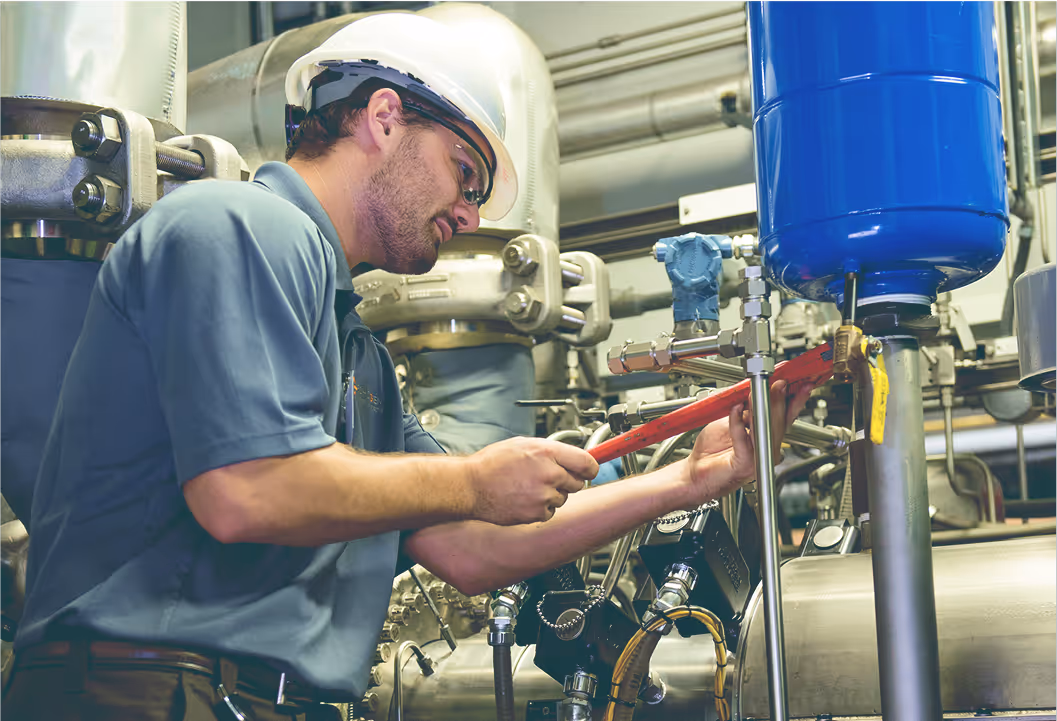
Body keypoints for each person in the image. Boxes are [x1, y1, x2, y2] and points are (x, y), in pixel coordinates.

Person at [0, 13, 813, 721]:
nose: (468, 215)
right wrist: (472, 479)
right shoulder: (238, 224)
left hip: (235, 696)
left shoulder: (357, 353)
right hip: (146, 693)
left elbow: (469, 547)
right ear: (383, 117)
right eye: (466, 175)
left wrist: (694, 481)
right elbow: (246, 490)